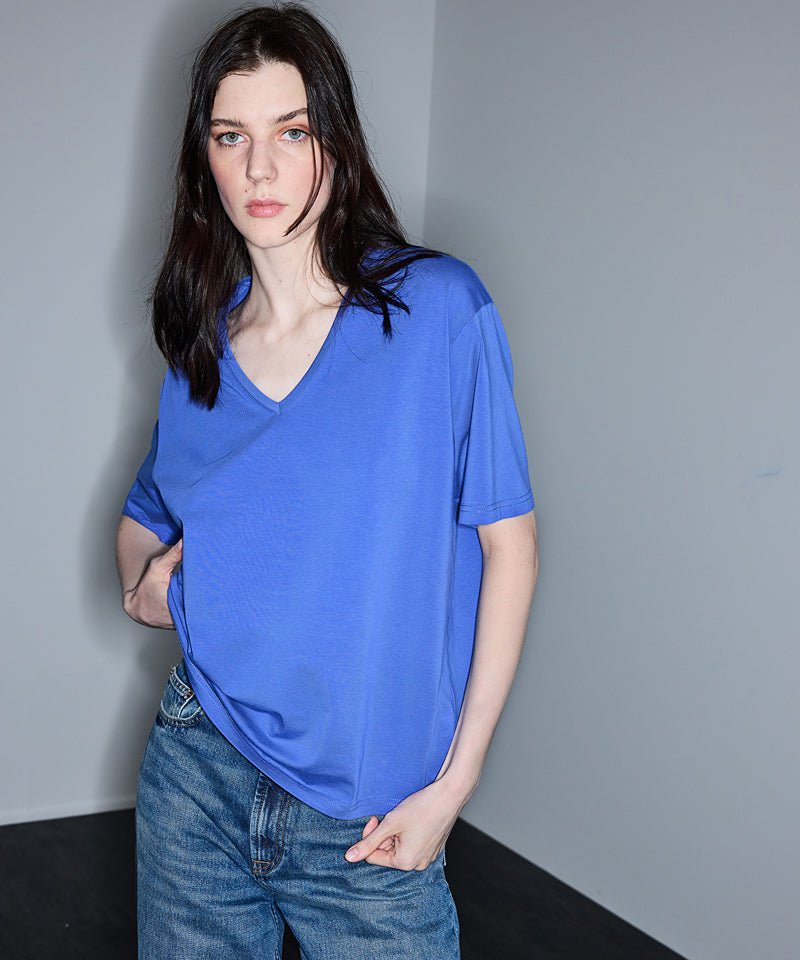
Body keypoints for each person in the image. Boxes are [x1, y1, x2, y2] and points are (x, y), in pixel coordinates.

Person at [116, 5, 538, 959]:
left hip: (372, 815)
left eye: (292, 131)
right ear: (204, 160)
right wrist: (147, 590)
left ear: (335, 143)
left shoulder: (437, 310)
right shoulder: (201, 353)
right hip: (199, 772)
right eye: (232, 136)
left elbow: (510, 549)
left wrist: (454, 785)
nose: (260, 169)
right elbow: (144, 516)